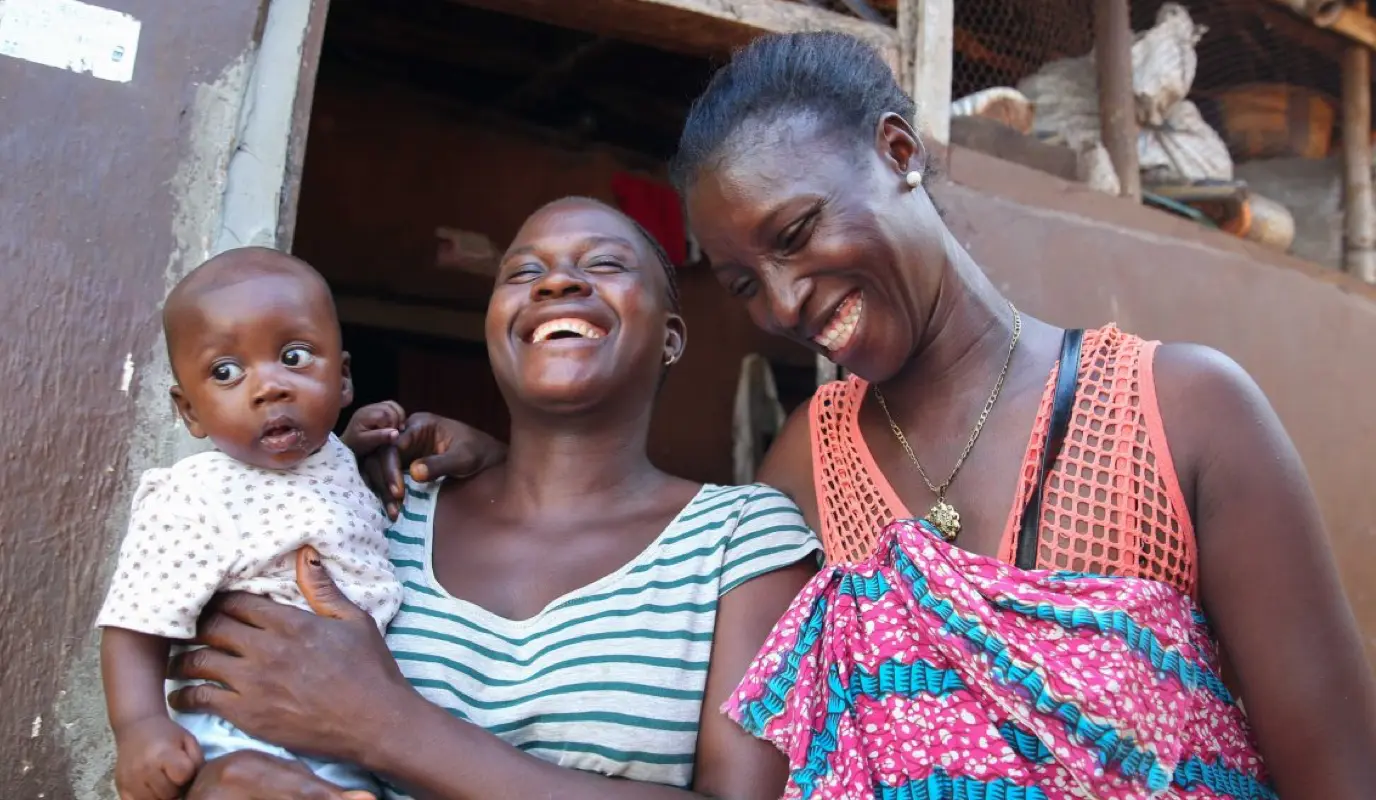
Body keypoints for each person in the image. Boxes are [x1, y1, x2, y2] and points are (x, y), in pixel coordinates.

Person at [362, 32, 1376, 800]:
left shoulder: (1179, 410)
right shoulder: (810, 464)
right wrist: (510, 472)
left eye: (796, 232)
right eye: (744, 282)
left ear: (896, 150)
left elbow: (1336, 772)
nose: (788, 300)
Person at [169, 197, 821, 799]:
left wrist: (386, 723)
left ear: (671, 337)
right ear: (493, 329)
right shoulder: (383, 510)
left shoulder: (743, 537)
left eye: (604, 264)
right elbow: (229, 713)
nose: (557, 283)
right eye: (522, 273)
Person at [97, 248, 400, 800]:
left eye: (295, 355)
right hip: (239, 731)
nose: (270, 387)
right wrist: (138, 726)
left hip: (352, 730)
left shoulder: (333, 458)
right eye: (227, 372)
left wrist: (357, 445)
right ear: (189, 411)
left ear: (344, 377)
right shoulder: (195, 495)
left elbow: (322, 498)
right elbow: (135, 618)